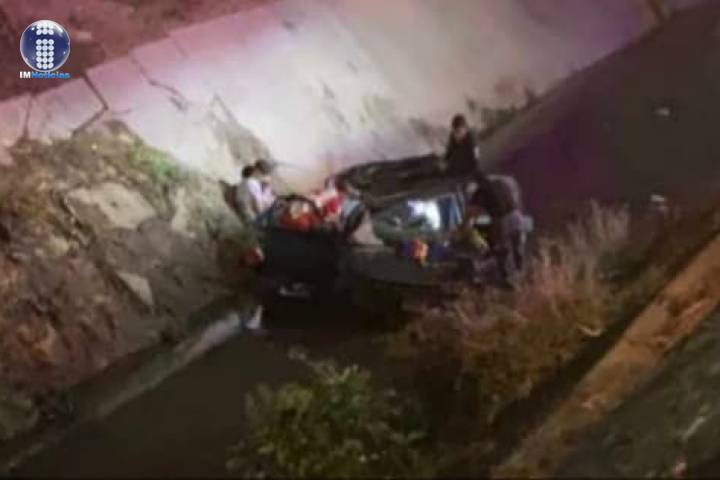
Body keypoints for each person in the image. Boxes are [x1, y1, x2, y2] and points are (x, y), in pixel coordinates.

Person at [464, 172, 526, 288]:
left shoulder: (481, 191)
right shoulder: (501, 183)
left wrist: (466, 225)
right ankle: (519, 272)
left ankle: (506, 277)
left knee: (501, 249)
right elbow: (515, 197)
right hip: (515, 215)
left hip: (501, 218)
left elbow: (471, 212)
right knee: (516, 246)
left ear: (477, 182)